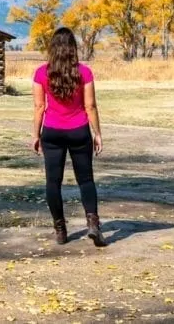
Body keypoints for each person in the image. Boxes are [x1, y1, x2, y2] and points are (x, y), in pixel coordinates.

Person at [30, 27, 106, 246]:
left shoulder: (41, 73)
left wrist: (36, 134)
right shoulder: (84, 72)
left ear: (52, 48)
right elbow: (90, 106)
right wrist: (97, 133)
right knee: (86, 180)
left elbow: (39, 106)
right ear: (73, 48)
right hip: (79, 131)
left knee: (53, 183)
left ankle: (60, 230)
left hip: (52, 132)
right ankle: (93, 224)